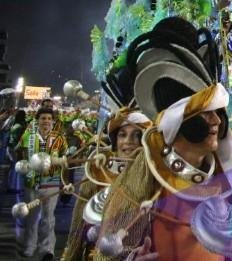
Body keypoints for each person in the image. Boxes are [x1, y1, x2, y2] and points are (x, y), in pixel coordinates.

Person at [97, 18, 232, 260]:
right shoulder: (141, 180)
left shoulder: (230, 175)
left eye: (218, 112)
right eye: (205, 114)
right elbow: (109, 249)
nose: (217, 121)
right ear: (176, 124)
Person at [62, 106, 151, 261]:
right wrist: (91, 232)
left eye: (137, 135)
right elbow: (80, 222)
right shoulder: (98, 170)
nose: (128, 141)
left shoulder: (153, 177)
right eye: (122, 135)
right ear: (115, 140)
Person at [16, 108, 67, 260]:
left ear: (53, 121)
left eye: (49, 119)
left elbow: (66, 158)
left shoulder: (59, 138)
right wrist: (23, 165)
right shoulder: (28, 136)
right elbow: (19, 152)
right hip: (32, 183)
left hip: (52, 183)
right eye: (43, 118)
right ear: (37, 120)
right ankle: (29, 247)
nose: (46, 121)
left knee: (48, 218)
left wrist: (63, 168)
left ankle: (47, 250)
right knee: (32, 217)